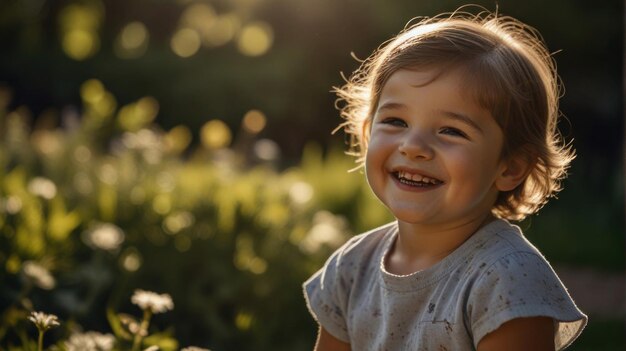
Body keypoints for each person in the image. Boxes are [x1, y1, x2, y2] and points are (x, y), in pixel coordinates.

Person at [303, 7, 587, 351]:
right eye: (395, 122)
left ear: (510, 167)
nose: (414, 147)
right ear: (366, 133)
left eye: (451, 130)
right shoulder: (352, 267)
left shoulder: (506, 281)